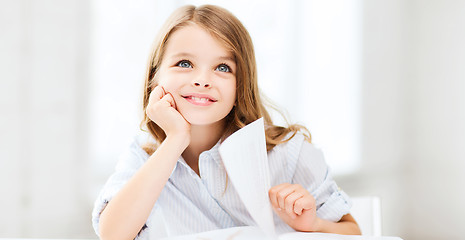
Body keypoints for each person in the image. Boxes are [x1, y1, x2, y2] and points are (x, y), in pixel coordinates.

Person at [92, 4, 361, 240]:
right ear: (155, 78)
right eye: (184, 63)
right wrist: (175, 139)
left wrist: (313, 225)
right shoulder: (143, 155)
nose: (202, 80)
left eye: (222, 68)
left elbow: (355, 233)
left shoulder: (287, 152)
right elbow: (113, 234)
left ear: (240, 87)